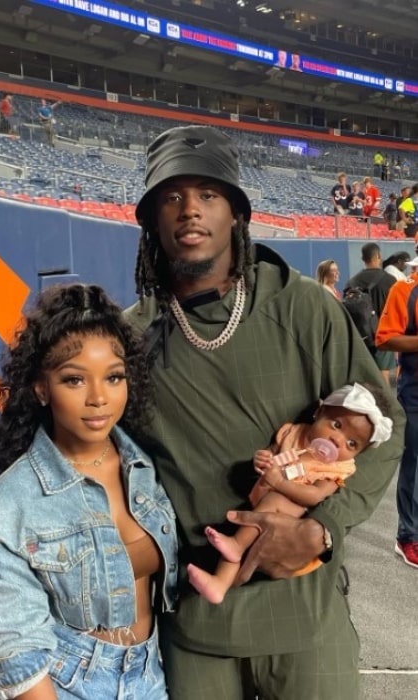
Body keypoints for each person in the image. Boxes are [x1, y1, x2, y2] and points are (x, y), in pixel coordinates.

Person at [126, 124, 404, 700]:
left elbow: (386, 426)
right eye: (172, 197)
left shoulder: (302, 306)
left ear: (237, 214)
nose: (190, 211)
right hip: (197, 621)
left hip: (304, 615)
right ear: (153, 219)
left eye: (208, 194)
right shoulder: (132, 340)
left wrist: (321, 530)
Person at [0, 283, 178, 699]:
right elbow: (17, 646)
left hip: (150, 675)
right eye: (74, 380)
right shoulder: (9, 506)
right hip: (65, 682)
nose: (99, 398)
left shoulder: (148, 467)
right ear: (42, 388)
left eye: (114, 377)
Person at [187, 383, 393, 604]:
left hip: (293, 516)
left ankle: (235, 550)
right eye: (336, 425)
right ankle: (219, 584)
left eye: (352, 444)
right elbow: (271, 454)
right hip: (260, 503)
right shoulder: (293, 433)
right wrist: (262, 459)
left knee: (259, 519)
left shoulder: (336, 468)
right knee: (244, 535)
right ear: (319, 412)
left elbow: (316, 496)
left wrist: (280, 482)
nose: (338, 440)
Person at [377, 277, 418, 568]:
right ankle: (408, 537)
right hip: (415, 390)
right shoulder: (404, 288)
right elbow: (386, 338)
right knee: (415, 464)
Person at [345, 242, 396, 383]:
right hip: (382, 334)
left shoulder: (351, 282)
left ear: (362, 258)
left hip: (359, 336)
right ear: (379, 256)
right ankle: (384, 405)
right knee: (382, 376)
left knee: (363, 378)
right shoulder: (390, 281)